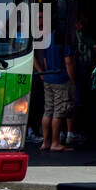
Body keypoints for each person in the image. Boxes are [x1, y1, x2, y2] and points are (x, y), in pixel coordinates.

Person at [35, 19, 76, 152]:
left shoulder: (48, 38)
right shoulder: (63, 39)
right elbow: (68, 61)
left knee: (48, 110)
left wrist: (47, 74)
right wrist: (72, 80)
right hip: (61, 78)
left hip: (49, 77)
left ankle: (45, 143)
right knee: (58, 112)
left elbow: (45, 60)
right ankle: (55, 143)